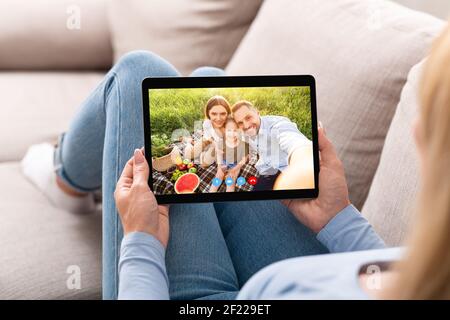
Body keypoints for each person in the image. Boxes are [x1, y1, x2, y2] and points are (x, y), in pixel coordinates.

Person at [22, 21, 450, 300]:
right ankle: (67, 173)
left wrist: (141, 241)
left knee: (138, 72)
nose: (416, 132)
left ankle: (66, 178)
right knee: (210, 78)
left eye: (431, 123)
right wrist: (338, 219)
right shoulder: (425, 275)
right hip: (326, 263)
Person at [231, 100, 314, 191]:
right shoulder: (245, 132)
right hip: (267, 170)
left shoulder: (276, 126)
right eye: (240, 123)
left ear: (257, 113)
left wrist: (306, 162)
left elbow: (296, 143)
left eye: (248, 117)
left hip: (290, 173)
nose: (246, 125)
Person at [184, 95, 231, 168]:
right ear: (208, 113)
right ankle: (189, 142)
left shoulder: (231, 125)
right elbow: (208, 139)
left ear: (228, 113)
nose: (218, 118)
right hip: (208, 141)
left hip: (218, 148)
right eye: (214, 114)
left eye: (223, 113)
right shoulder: (207, 123)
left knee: (204, 164)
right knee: (188, 155)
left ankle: (202, 153)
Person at [209, 116, 250, 192]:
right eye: (229, 130)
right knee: (218, 176)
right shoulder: (222, 143)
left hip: (236, 164)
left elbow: (244, 159)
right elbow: (219, 154)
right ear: (224, 130)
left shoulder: (244, 145)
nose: (232, 134)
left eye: (235, 130)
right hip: (224, 162)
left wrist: (234, 169)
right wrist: (219, 166)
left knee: (231, 180)